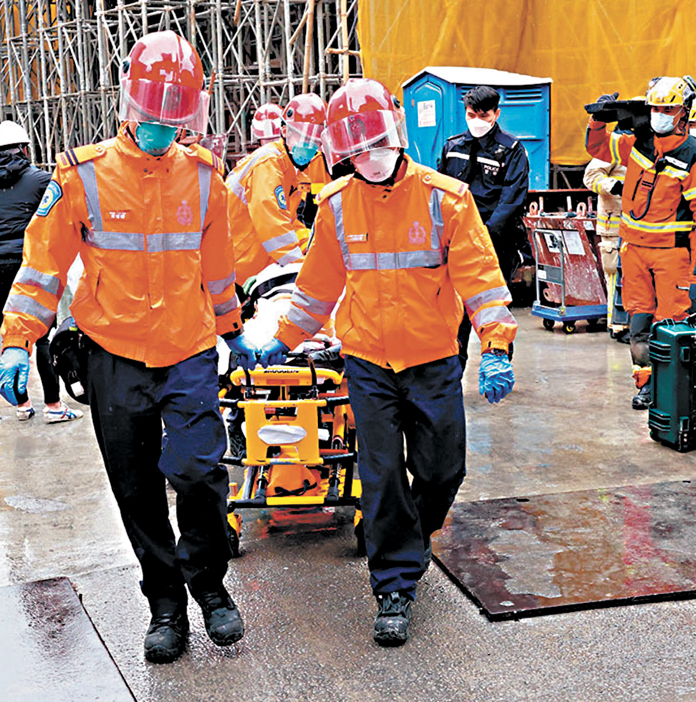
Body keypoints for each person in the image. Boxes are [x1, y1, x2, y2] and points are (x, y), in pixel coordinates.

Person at [0, 30, 259, 663]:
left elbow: (217, 270)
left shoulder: (203, 179)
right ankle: (165, 606)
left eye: (176, 119)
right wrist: (16, 342)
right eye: (155, 117)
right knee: (135, 486)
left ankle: (212, 589)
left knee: (198, 473)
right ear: (130, 107)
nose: (164, 128)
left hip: (189, 349)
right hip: (113, 352)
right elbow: (42, 265)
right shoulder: (82, 177)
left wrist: (233, 329)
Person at [257, 78, 518, 646]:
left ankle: (411, 538)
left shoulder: (445, 198)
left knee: (443, 470)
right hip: (368, 360)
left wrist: (496, 344)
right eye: (354, 148)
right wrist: (282, 337)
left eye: (371, 141)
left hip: (432, 358)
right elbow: (316, 287)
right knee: (378, 475)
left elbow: (481, 280)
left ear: (392, 136)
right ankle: (394, 585)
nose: (366, 157)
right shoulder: (335, 206)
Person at [585, 76, 696, 409]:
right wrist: (598, 119)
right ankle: (645, 385)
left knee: (672, 324)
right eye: (655, 108)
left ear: (683, 112)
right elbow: (597, 148)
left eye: (668, 109)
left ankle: (675, 386)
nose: (659, 114)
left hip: (672, 255)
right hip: (633, 252)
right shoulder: (637, 144)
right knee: (639, 323)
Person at [0, 120, 82, 424]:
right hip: (26, 266)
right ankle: (53, 405)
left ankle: (23, 404)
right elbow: (61, 212)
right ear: (24, 148)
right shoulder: (39, 180)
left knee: (12, 337)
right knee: (42, 338)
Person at [438, 85, 531, 368]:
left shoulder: (512, 149)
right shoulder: (453, 147)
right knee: (455, 307)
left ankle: (499, 359)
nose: (477, 120)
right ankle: (456, 366)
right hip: (457, 240)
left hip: (497, 239)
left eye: (483, 114)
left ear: (496, 114)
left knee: (493, 302)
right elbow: (441, 192)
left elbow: (512, 198)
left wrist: (485, 234)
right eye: (471, 114)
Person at [227, 94, 329, 288]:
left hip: (251, 270)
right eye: (303, 137)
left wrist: (310, 249)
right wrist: (299, 266)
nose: (309, 145)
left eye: (314, 142)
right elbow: (271, 222)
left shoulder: (291, 171)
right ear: (285, 132)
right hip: (234, 273)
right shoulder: (269, 163)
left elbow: (289, 221)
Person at [583, 155, 626, 338]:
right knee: (615, 275)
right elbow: (591, 177)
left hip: (641, 225)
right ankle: (617, 325)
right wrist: (614, 187)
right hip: (615, 227)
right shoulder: (614, 148)